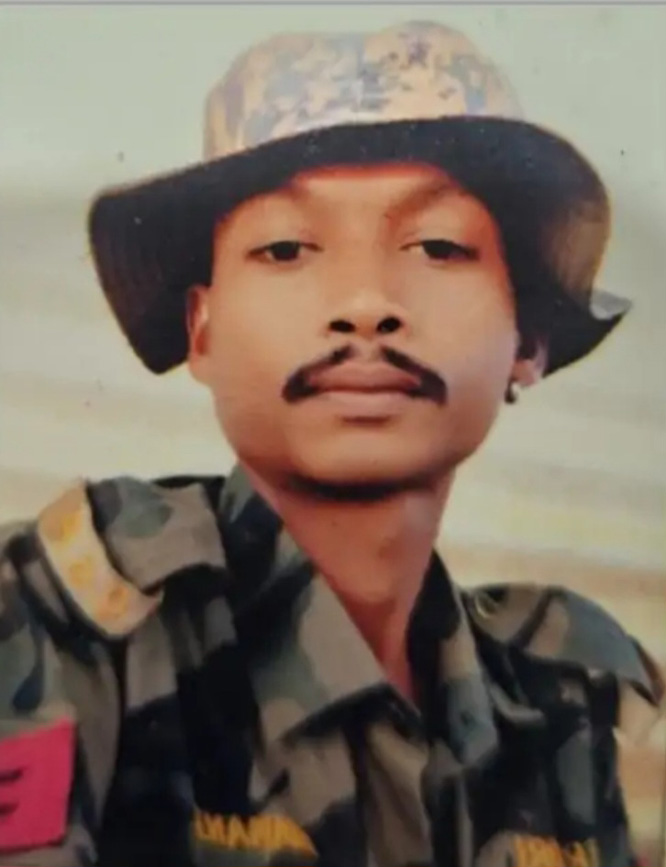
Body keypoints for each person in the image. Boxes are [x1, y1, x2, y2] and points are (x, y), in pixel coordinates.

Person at [0, 19, 662, 867]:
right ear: (202, 329)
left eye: (437, 246)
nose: (364, 303)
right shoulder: (65, 625)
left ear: (527, 341)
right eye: (285, 248)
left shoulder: (556, 705)